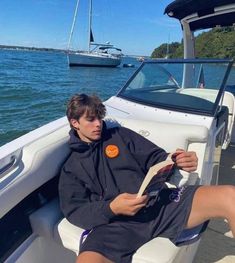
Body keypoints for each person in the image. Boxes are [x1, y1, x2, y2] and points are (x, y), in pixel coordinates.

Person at [59, 93, 235, 263]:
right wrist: (111, 208)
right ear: (75, 123)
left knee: (230, 195)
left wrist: (176, 160)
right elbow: (74, 210)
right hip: (115, 226)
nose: (98, 124)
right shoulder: (71, 167)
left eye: (99, 118)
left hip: (158, 204)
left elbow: (156, 157)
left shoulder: (121, 136)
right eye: (90, 120)